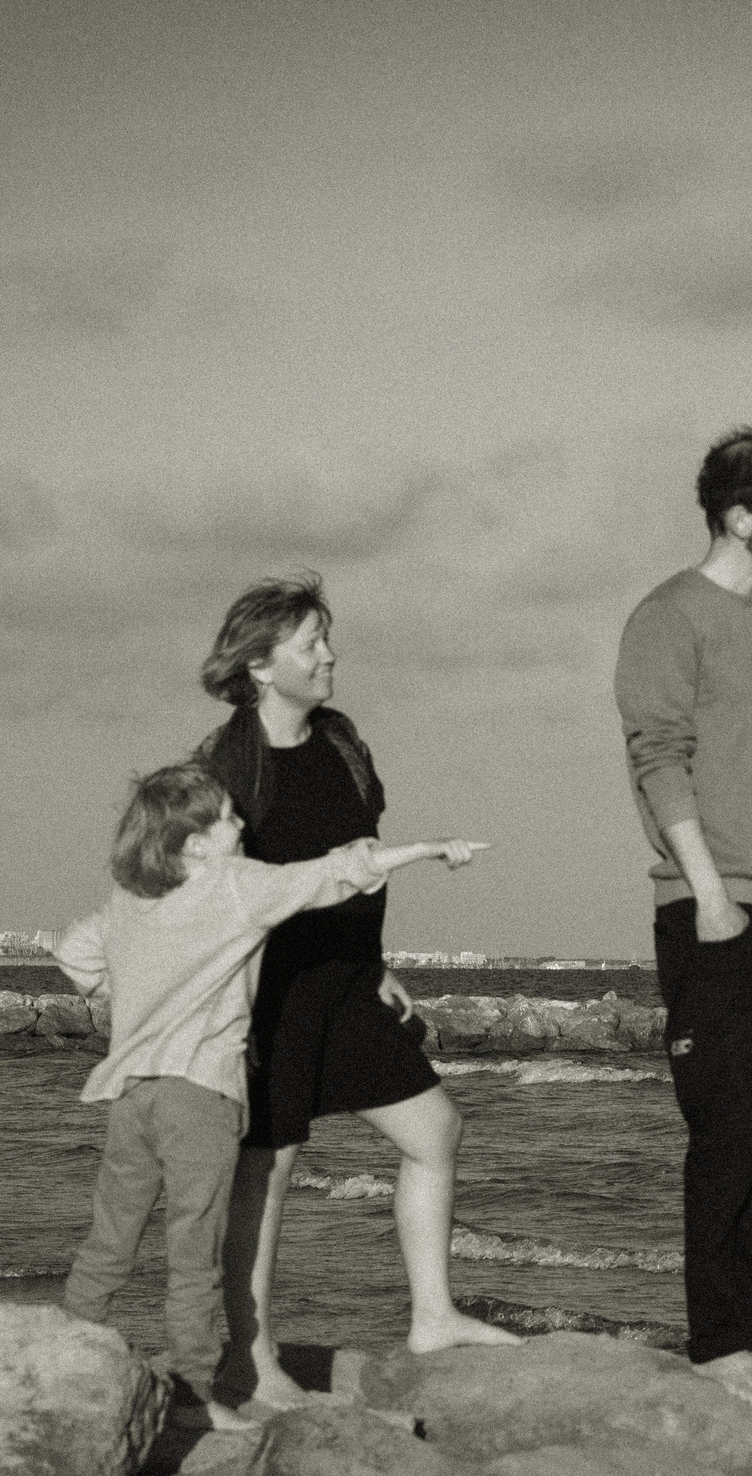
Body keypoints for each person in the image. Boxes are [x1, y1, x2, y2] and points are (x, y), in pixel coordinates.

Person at [55, 760, 489, 1430]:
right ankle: (200, 1399)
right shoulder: (233, 885)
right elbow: (331, 874)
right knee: (194, 1254)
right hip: (198, 1099)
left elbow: (73, 953)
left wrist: (135, 1004)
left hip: (131, 1095)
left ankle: (64, 1355)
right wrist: (429, 849)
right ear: (197, 842)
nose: (241, 824)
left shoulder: (132, 900)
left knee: (111, 1239)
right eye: (228, 817)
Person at [194, 576, 520, 1412]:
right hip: (273, 992)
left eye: (326, 640)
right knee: (267, 1169)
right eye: (311, 645)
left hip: (346, 981)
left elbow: (359, 855)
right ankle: (251, 1360)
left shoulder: (339, 739)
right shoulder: (226, 766)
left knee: (436, 1129)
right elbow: (215, 897)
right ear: (262, 665)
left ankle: (434, 1316)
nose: (330, 656)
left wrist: (373, 961)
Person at [613, 425, 752, 1417]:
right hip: (711, 909)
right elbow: (656, 758)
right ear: (739, 517)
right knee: (726, 1135)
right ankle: (717, 1345)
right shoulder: (666, 617)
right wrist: (707, 894)